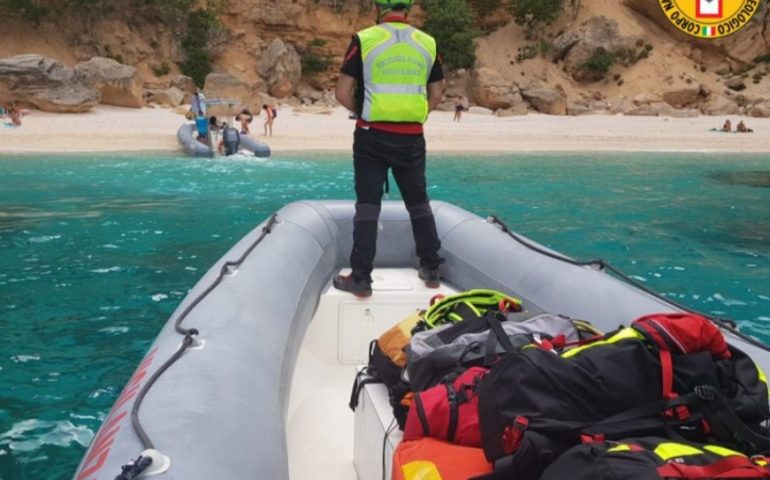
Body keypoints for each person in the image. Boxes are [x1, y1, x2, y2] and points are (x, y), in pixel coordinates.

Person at [332, 0, 444, 297]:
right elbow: (437, 93)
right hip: (412, 136)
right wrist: (416, 116)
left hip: (371, 135)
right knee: (419, 203)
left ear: (377, 10)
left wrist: (364, 111)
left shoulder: (364, 39)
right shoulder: (428, 42)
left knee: (368, 207)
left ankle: (360, 278)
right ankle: (431, 268)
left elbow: (342, 93)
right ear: (407, 10)